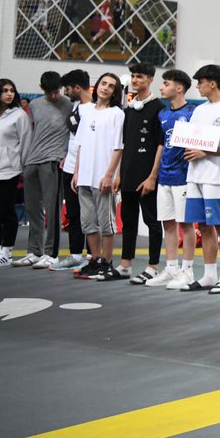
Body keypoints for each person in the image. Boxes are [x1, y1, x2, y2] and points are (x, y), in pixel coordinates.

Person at [178, 65, 220, 294]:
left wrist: (205, 152)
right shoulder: (199, 111)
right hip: (195, 175)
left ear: (212, 83)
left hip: (217, 176)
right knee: (203, 226)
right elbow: (193, 139)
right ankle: (210, 275)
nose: (197, 86)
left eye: (200, 82)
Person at [71, 73, 125, 281]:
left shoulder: (116, 114)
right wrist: (76, 172)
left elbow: (118, 147)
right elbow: (81, 144)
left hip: (103, 177)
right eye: (103, 83)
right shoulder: (87, 112)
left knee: (106, 224)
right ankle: (94, 260)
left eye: (111, 86)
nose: (106, 88)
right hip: (84, 176)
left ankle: (107, 262)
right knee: (88, 223)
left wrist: (110, 175)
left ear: (115, 92)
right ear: (97, 86)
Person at [15, 72, 71, 269]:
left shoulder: (69, 105)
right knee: (32, 208)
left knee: (52, 208)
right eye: (50, 92)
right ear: (42, 89)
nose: (54, 95)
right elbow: (31, 132)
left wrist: (65, 156)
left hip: (53, 160)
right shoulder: (35, 105)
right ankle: (34, 251)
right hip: (32, 160)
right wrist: (25, 160)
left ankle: (51, 253)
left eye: (57, 91)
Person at [147, 70, 197, 289]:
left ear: (178, 88)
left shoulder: (193, 112)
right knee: (167, 224)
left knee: (185, 225)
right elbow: (161, 146)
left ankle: (187, 271)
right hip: (165, 177)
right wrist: (154, 174)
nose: (161, 87)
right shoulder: (163, 115)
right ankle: (171, 268)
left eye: (165, 83)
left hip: (184, 177)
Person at [117, 64, 165, 283]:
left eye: (140, 77)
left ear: (151, 79)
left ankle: (153, 266)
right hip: (127, 173)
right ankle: (125, 264)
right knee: (128, 221)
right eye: (134, 76)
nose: (136, 80)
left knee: (152, 222)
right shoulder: (129, 108)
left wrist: (152, 176)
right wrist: (119, 173)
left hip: (147, 176)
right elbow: (125, 143)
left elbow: (160, 145)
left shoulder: (159, 108)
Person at [52, 70, 92, 272]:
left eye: (68, 89)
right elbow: (73, 138)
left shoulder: (94, 110)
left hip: (87, 169)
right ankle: (76, 254)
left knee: (89, 214)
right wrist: (67, 157)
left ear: (77, 88)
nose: (66, 93)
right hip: (70, 166)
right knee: (74, 214)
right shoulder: (75, 107)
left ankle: (93, 255)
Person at [0, 79, 32, 268]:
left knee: (6, 210)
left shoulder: (19, 115)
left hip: (9, 170)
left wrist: (24, 168)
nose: (9, 94)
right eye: (4, 90)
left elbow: (26, 142)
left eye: (11, 90)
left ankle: (7, 250)